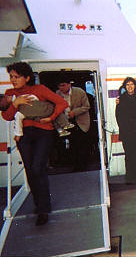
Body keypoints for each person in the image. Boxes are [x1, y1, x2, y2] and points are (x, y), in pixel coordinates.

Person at [1, 62, 68, 226]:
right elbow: (7, 116)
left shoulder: (40, 90)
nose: (13, 80)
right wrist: (15, 105)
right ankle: (39, 205)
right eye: (11, 77)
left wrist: (50, 118)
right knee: (30, 171)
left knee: (38, 168)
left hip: (43, 132)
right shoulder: (9, 93)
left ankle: (44, 209)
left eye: (17, 77)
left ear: (27, 77)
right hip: (24, 135)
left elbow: (62, 103)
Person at [0, 94, 74, 141]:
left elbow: (18, 124)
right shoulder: (20, 98)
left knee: (52, 119)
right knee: (55, 110)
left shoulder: (18, 113)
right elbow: (32, 97)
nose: (9, 96)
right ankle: (65, 124)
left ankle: (60, 130)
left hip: (38, 117)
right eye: (7, 97)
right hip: (43, 108)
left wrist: (18, 135)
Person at [115, 77, 136, 184]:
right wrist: (124, 128)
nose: (130, 86)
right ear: (124, 87)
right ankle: (129, 178)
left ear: (135, 86)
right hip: (126, 132)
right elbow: (118, 116)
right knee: (128, 155)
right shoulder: (121, 99)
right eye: (127, 85)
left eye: (131, 84)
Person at [56, 80, 91, 172]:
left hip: (81, 121)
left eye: (63, 85)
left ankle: (83, 166)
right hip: (66, 122)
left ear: (69, 85)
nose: (61, 88)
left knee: (82, 144)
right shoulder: (57, 94)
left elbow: (86, 106)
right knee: (72, 144)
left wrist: (74, 112)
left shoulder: (79, 92)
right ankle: (75, 166)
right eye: (59, 86)